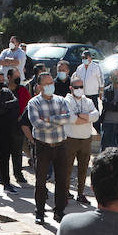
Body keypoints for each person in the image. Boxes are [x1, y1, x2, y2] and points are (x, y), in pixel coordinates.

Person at [25, 72, 72, 225]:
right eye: (46, 84)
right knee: (40, 181)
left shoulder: (61, 100)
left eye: (51, 82)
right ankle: (39, 212)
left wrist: (49, 119)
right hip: (43, 146)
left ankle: (59, 211)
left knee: (62, 180)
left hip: (61, 145)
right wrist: (57, 121)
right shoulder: (34, 103)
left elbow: (68, 118)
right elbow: (37, 124)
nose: (50, 85)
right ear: (39, 86)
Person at [63, 75, 99, 204]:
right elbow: (71, 119)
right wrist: (86, 118)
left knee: (83, 169)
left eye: (81, 87)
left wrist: (81, 116)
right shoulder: (66, 101)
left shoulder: (88, 101)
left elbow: (95, 115)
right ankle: (64, 191)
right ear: (71, 88)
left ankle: (81, 193)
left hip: (85, 139)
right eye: (76, 87)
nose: (79, 89)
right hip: (70, 139)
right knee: (67, 167)